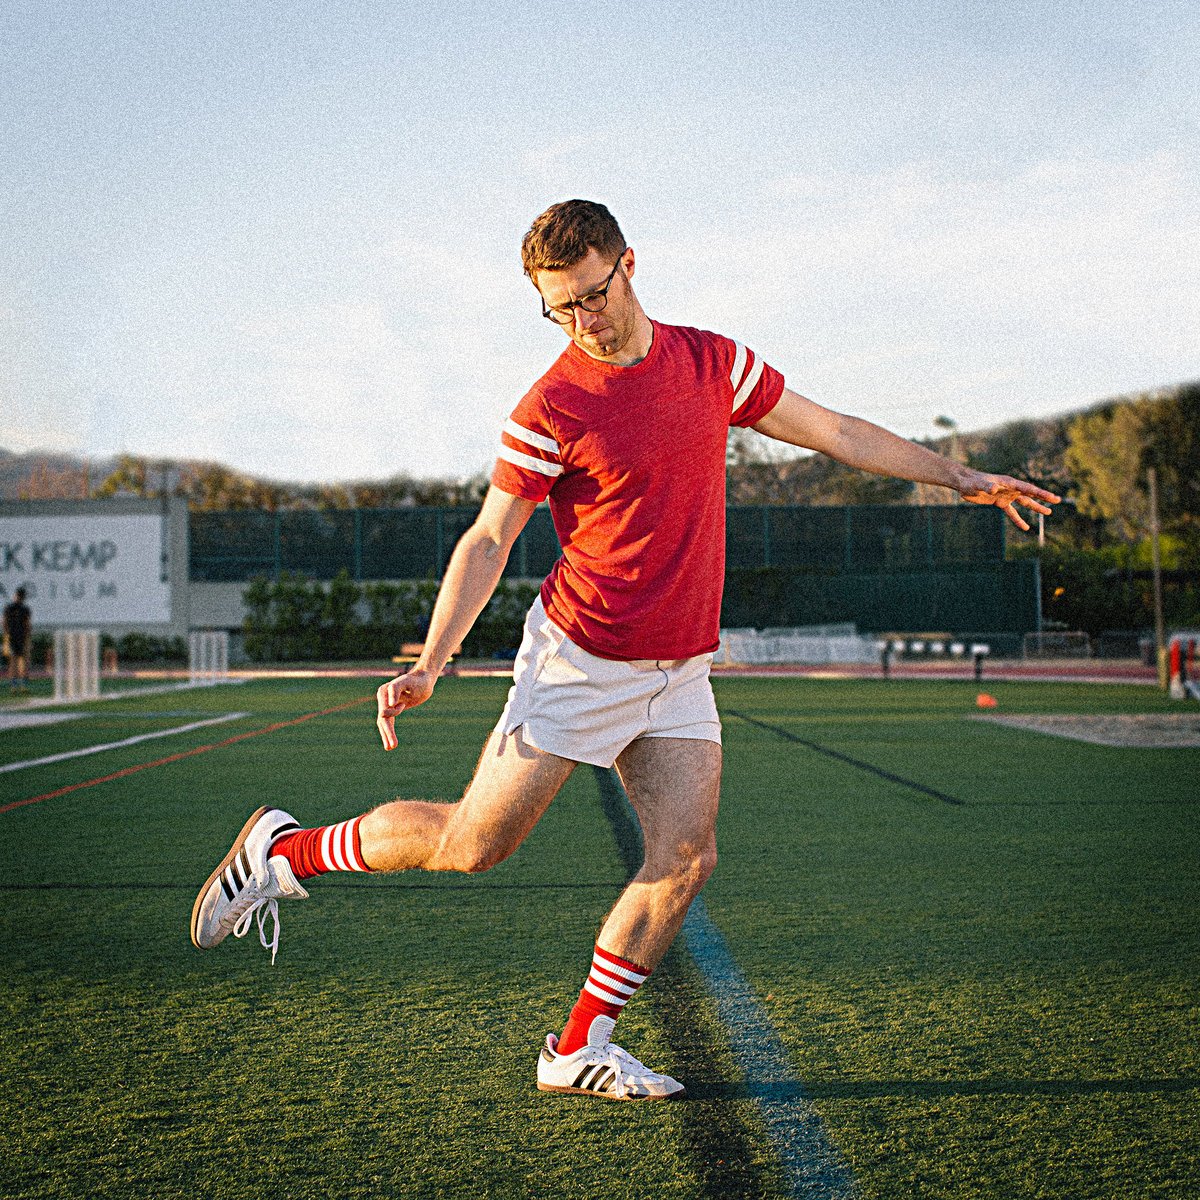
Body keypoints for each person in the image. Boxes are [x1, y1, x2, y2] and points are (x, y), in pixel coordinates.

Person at [191, 200, 1059, 1100]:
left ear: (629, 265)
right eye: (558, 308)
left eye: (592, 296)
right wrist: (431, 661)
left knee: (686, 856)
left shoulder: (713, 365)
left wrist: (962, 477)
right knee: (472, 846)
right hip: (579, 661)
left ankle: (575, 1050)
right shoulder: (551, 406)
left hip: (679, 670)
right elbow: (490, 538)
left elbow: (833, 431)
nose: (582, 321)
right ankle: (285, 853)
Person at [3, 587, 32, 694]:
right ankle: (23, 686)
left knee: (13, 661)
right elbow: (28, 625)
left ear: (16, 595)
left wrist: (7, 634)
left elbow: (4, 623)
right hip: (22, 637)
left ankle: (14, 686)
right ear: (23, 597)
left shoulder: (9, 608)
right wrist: (28, 636)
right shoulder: (25, 609)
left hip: (12, 636)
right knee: (23, 661)